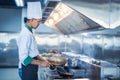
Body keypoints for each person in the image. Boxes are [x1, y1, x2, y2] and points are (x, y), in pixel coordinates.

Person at [16, 2, 51, 80]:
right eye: (38, 21)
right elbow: (24, 58)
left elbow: (33, 52)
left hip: (31, 67)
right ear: (31, 19)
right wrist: (41, 63)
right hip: (26, 68)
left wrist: (43, 59)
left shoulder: (29, 32)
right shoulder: (26, 34)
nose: (39, 24)